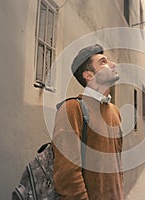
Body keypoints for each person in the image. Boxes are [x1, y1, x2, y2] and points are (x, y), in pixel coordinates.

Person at [52, 44, 124, 200]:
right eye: (103, 62)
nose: (112, 64)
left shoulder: (115, 111)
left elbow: (118, 166)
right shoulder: (72, 109)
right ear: (89, 75)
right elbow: (67, 176)